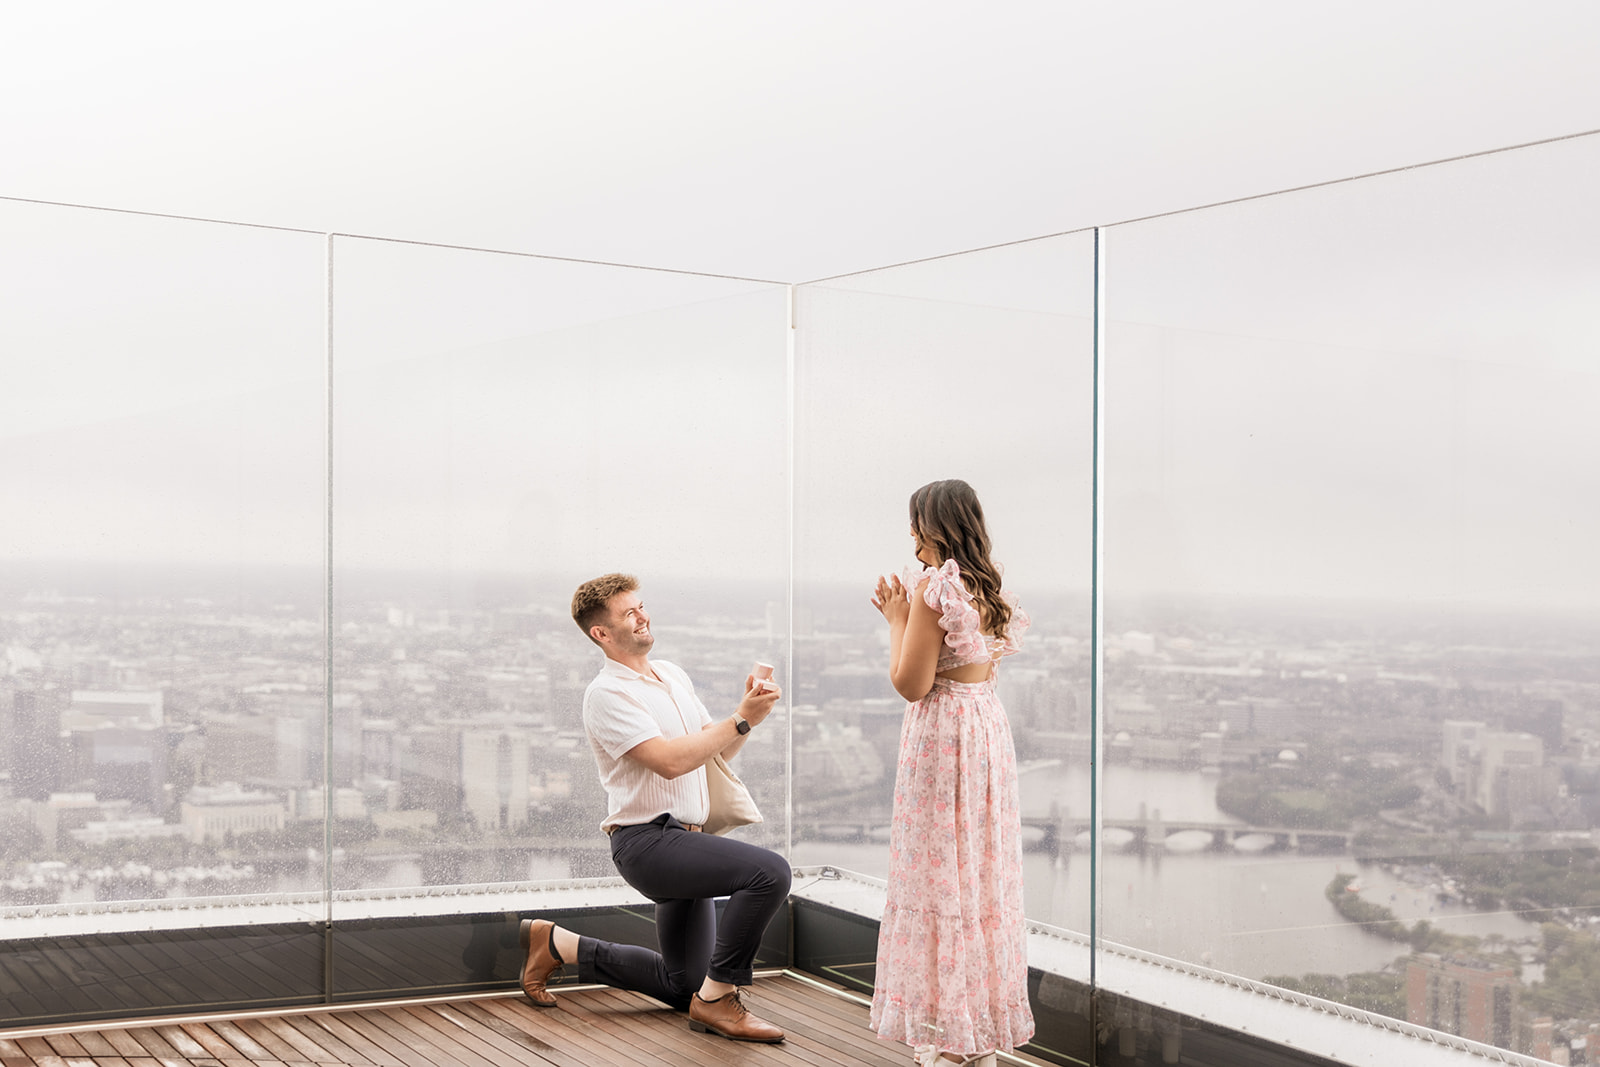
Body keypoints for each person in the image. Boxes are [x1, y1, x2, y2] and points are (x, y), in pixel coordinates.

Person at [517, 573, 792, 1044]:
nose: (643, 616)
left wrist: (748, 719)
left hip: (688, 839)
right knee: (770, 873)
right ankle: (720, 1000)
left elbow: (713, 754)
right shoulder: (606, 694)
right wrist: (740, 718)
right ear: (601, 634)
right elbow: (668, 763)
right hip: (648, 843)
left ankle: (558, 943)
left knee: (683, 984)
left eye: (640, 606)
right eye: (629, 613)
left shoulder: (672, 675)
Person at [868, 480, 1036, 1067]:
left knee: (938, 876)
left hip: (942, 739)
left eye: (915, 523)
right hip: (985, 731)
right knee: (980, 877)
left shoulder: (934, 588)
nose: (911, 536)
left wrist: (896, 618)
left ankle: (947, 1041)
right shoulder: (987, 587)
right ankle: (979, 1038)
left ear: (932, 527)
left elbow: (911, 684)